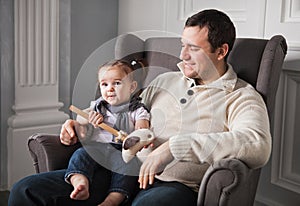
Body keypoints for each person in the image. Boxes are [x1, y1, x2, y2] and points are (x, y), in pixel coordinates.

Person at [8, 9, 271, 206]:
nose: (182, 55)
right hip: (120, 172)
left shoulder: (240, 96)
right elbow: (123, 116)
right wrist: (83, 127)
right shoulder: (165, 81)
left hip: (173, 185)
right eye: (182, 45)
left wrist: (173, 147)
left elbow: (257, 145)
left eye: (193, 48)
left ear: (221, 51)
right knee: (25, 190)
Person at [64, 59, 150, 205]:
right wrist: (90, 118)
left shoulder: (136, 109)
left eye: (117, 83)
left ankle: (113, 200)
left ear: (132, 87)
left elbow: (143, 130)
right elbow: (81, 118)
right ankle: (80, 182)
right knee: (80, 154)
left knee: (128, 168)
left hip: (121, 152)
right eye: (104, 84)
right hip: (98, 147)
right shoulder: (99, 106)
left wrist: (138, 133)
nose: (109, 89)